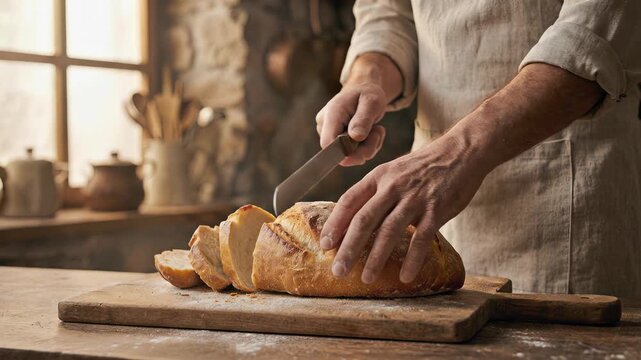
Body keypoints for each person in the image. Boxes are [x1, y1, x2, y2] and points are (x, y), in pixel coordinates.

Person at [315, 0, 641, 297]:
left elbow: (593, 34)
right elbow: (388, 9)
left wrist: (458, 152)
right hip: (428, 207)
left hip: (562, 211)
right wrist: (368, 77)